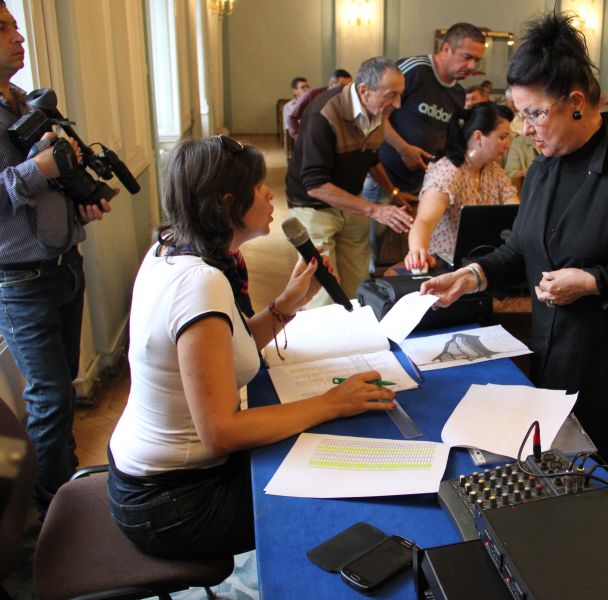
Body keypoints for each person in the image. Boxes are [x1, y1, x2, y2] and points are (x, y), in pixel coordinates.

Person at [421, 13, 608, 493]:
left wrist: (594, 282)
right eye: (519, 114)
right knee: (557, 483)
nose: (525, 129)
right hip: (557, 354)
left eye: (534, 113)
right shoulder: (544, 167)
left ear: (576, 102)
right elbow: (523, 249)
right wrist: (472, 275)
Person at [107, 136, 396, 559]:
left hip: (158, 479)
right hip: (174, 504)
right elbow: (222, 433)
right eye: (259, 187)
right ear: (228, 204)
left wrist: (285, 306)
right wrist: (332, 402)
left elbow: (226, 349)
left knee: (321, 444)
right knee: (343, 492)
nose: (268, 194)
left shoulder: (171, 248)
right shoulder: (200, 284)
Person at [0, 1, 112, 515]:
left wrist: (78, 206)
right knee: (49, 399)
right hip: (21, 282)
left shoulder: (25, 103)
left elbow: (51, 184)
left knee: (61, 392)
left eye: (16, 25)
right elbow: (26, 181)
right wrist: (39, 169)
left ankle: (68, 492)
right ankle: (49, 516)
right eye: (3, 28)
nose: (19, 36)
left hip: (66, 265)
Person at [285, 57, 413, 308]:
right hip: (313, 205)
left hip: (351, 200)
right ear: (364, 91)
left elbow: (371, 160)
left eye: (400, 95)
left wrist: (394, 193)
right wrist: (375, 210)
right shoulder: (323, 114)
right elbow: (315, 185)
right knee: (322, 290)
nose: (397, 104)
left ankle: (355, 327)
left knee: (358, 286)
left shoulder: (377, 112)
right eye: (391, 95)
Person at [363, 23, 485, 272]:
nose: (472, 66)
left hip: (420, 184)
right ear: (446, 49)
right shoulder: (415, 71)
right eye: (467, 57)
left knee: (413, 252)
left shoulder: (458, 94)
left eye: (477, 60)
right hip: (384, 177)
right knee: (371, 252)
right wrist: (403, 148)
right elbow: (376, 116)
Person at [405, 103, 518, 273]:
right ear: (478, 137)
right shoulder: (448, 171)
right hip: (445, 264)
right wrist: (417, 251)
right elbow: (424, 221)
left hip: (480, 262)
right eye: (502, 137)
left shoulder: (493, 171)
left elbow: (515, 213)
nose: (508, 145)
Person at [286, 69, 352, 140]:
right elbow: (292, 117)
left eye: (348, 87)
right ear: (331, 84)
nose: (345, 90)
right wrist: (298, 138)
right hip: (312, 137)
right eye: (342, 86)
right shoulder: (311, 95)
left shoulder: (346, 98)